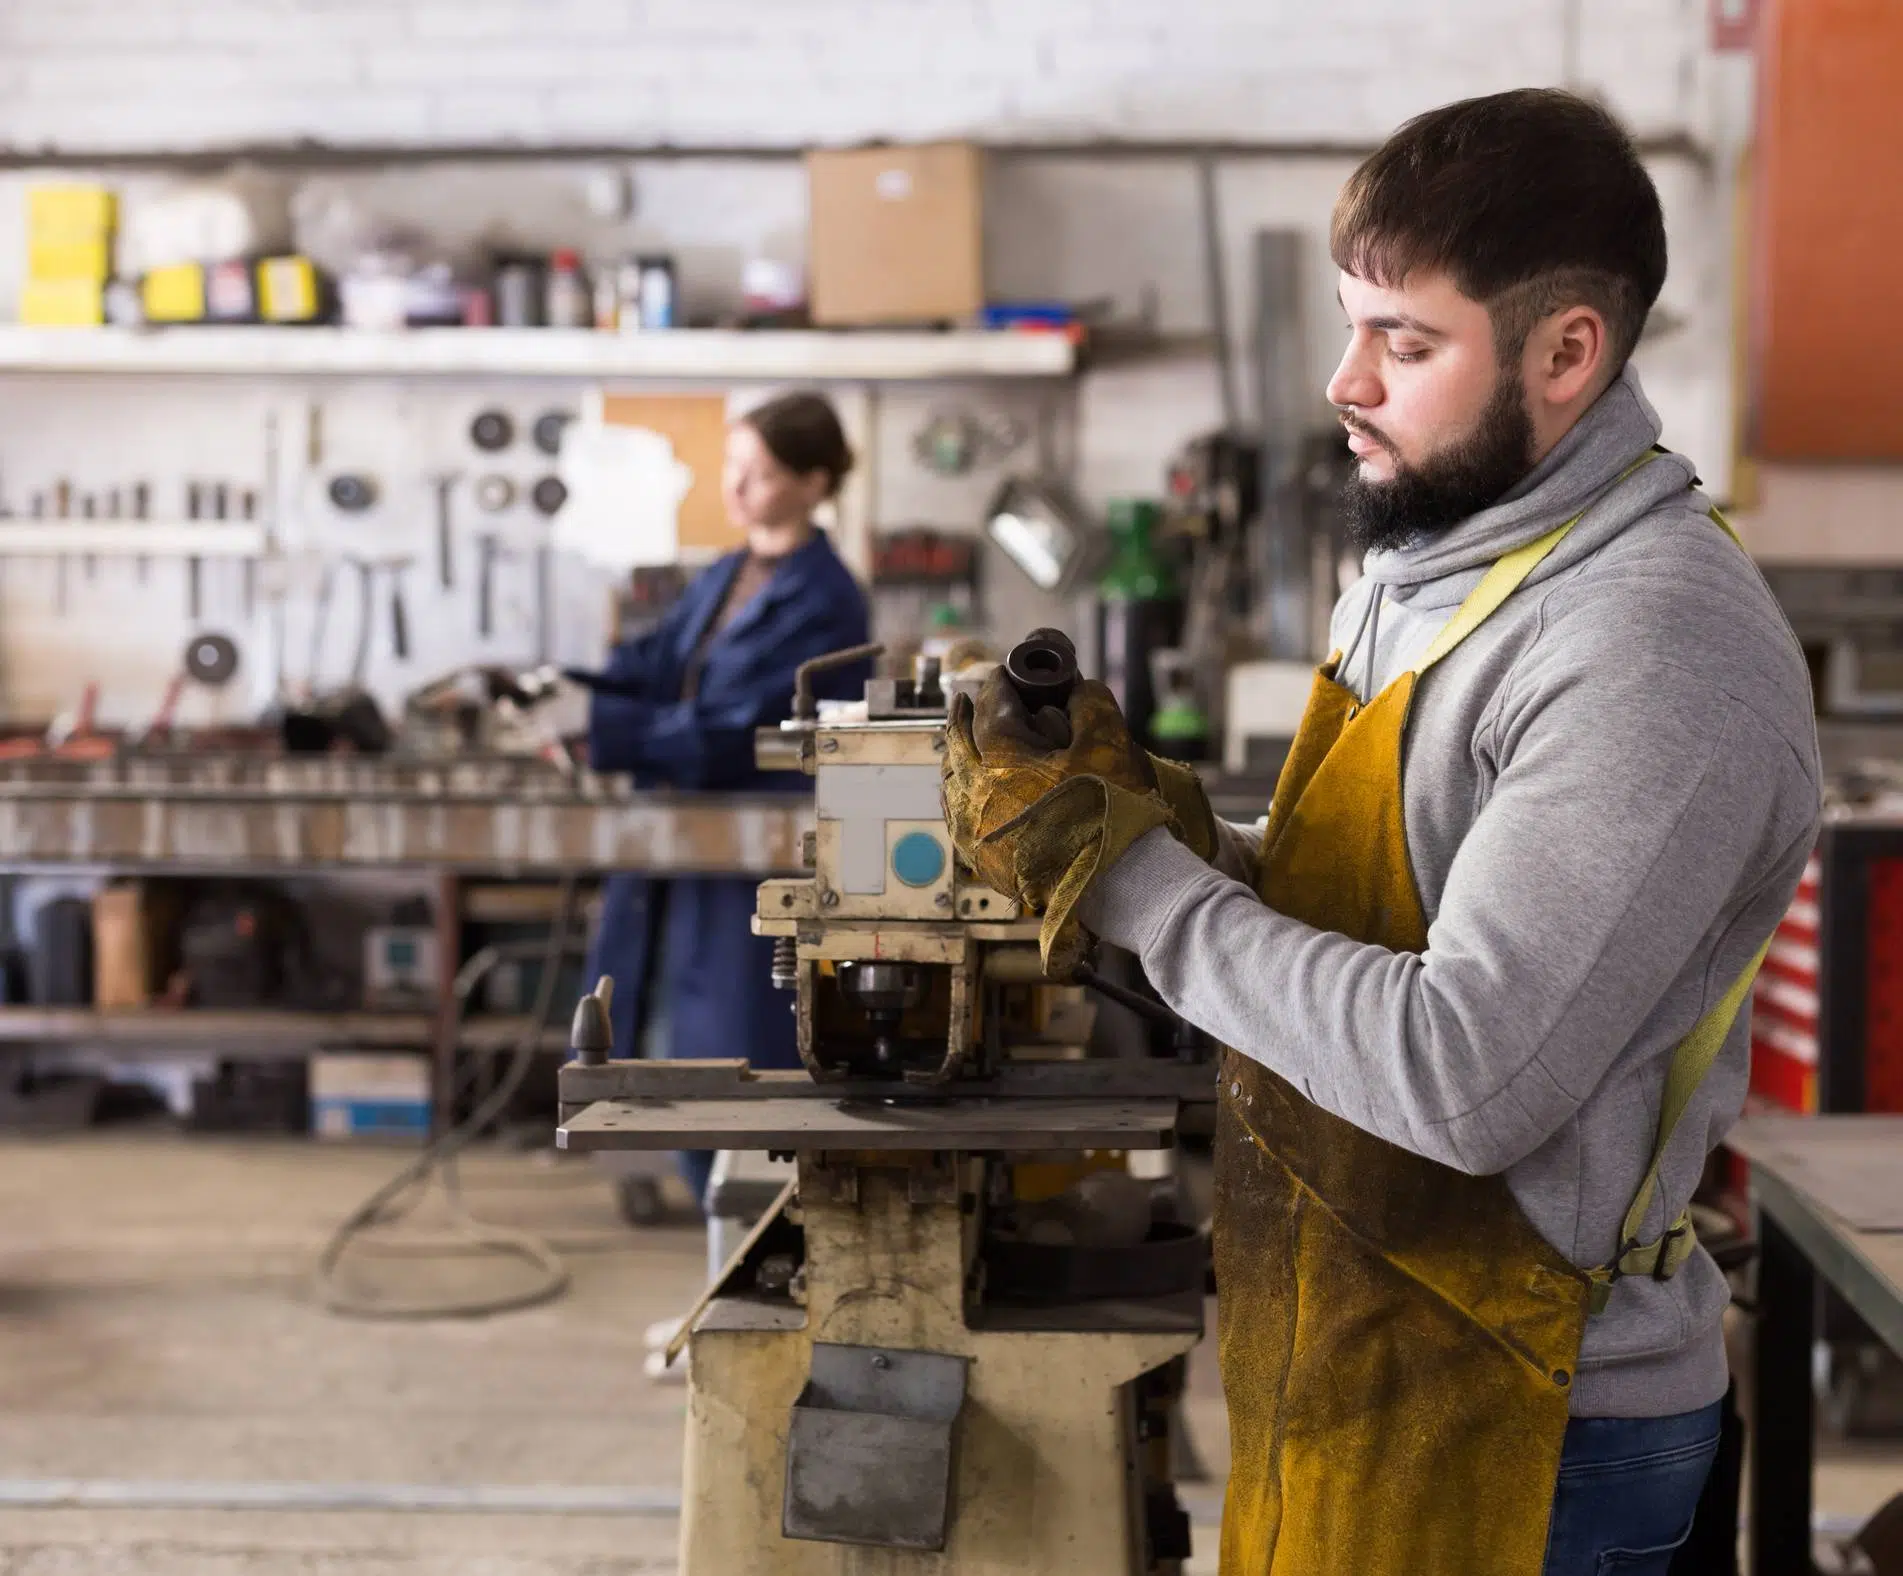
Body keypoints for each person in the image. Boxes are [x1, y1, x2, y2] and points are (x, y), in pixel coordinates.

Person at [942, 90, 1821, 1576]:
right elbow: (1356, 921)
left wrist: (1138, 886)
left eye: (1403, 345)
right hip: (1353, 1344)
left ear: (1563, 353)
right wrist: (1159, 827)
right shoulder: (1426, 559)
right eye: (1350, 327)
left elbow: (1460, 1071)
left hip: (1534, 1425)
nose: (1344, 383)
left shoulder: (1648, 645)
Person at [577, 390, 872, 1209]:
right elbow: (656, 661)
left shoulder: (825, 598)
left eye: (762, 473)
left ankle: (748, 1216)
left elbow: (731, 725)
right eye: (732, 468)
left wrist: (598, 729)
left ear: (814, 483)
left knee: (737, 1042)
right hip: (684, 840)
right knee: (664, 1028)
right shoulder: (726, 572)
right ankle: (704, 1196)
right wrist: (559, 685)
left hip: (757, 846)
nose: (738, 489)